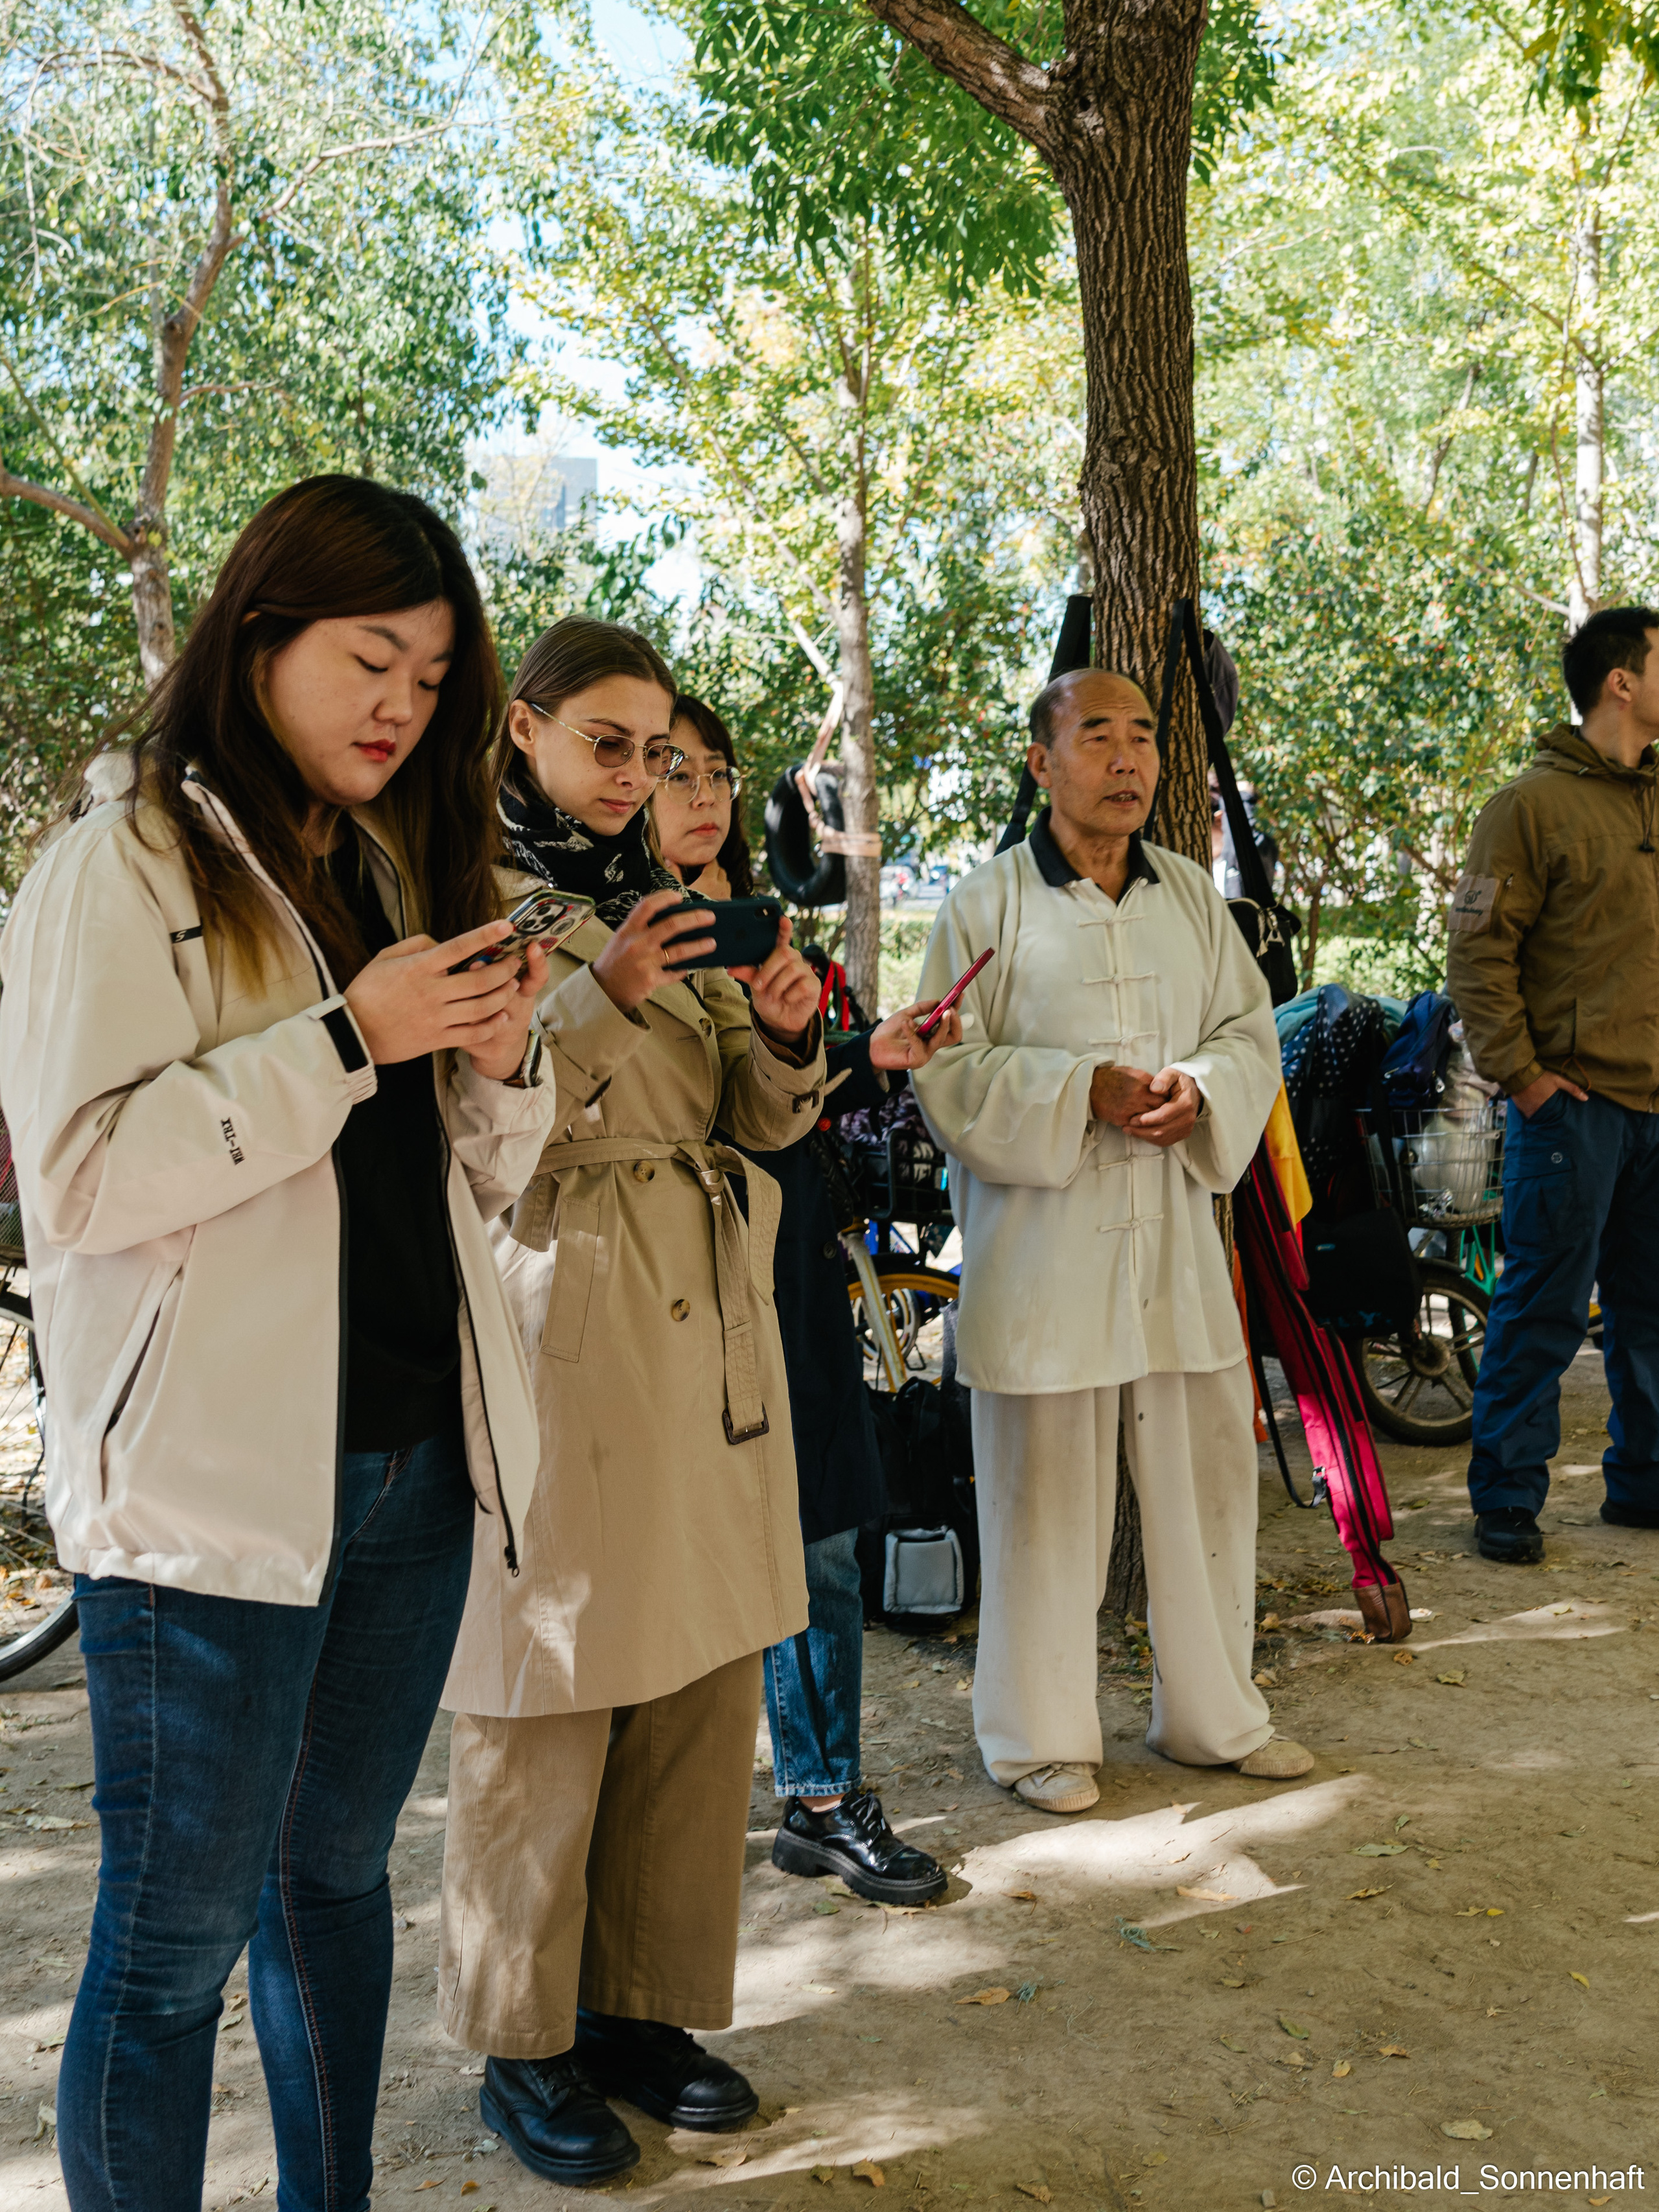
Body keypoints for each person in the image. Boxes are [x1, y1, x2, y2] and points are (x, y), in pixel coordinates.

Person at [0, 474, 559, 2212]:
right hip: (213, 1491)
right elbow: (79, 1179)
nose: (401, 703)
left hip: (407, 1471)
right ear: (256, 640)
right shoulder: (121, 863)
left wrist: (497, 1062)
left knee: (327, 1892)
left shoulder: (389, 861)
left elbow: (465, 1179)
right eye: (368, 657)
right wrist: (347, 1032)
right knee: (167, 1951)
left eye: (431, 674)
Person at [437, 621, 826, 2187]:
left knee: (696, 1676)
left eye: (656, 750)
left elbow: (754, 1108)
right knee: (548, 1682)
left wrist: (793, 1031)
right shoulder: (452, 882)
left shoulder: (669, 895)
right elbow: (478, 1114)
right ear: (521, 730)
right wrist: (593, 991)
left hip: (710, 1298)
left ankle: (640, 2012)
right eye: (605, 744)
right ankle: (519, 2039)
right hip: (563, 1300)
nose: (635, 777)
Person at [911, 669, 1306, 1815]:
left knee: (1210, 1483)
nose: (1129, 758)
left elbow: (1249, 1033)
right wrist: (1079, 1088)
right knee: (1042, 1494)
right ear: (1042, 762)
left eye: (1144, 737)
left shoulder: (1191, 895)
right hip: (1043, 1256)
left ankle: (1212, 1714)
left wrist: (1207, 1089)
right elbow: (941, 1063)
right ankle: (1037, 1738)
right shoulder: (984, 905)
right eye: (1100, 736)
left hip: (1177, 1239)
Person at [653, 696, 957, 1907]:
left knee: (822, 1526)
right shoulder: (606, 931)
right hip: (674, 1282)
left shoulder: (755, 928)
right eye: (670, 768)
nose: (703, 791)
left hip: (788, 1263)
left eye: (715, 770)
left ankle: (824, 1795)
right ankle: (677, 1820)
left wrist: (858, 1053)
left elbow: (780, 1096)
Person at [1447, 605, 1659, 1565]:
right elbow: (1478, 956)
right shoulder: (1526, 808)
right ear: (1622, 679)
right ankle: (1506, 1498)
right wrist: (1523, 1079)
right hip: (1572, 1109)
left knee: (1652, 1311)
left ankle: (1644, 1483)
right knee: (1542, 1306)